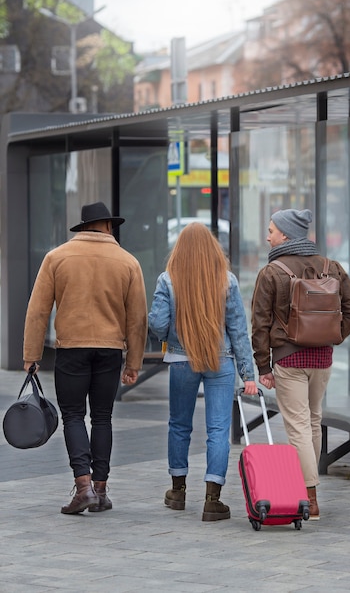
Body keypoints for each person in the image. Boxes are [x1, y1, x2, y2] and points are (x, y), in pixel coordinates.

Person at [23, 202, 148, 515]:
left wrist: (31, 355)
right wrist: (133, 363)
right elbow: (137, 319)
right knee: (102, 417)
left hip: (71, 349)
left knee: (74, 416)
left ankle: (83, 487)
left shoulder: (57, 257)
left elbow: (38, 310)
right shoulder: (128, 261)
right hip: (109, 350)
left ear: (84, 227)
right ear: (107, 226)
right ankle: (101, 490)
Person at [251, 209, 350, 520]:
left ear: (286, 235)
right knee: (313, 421)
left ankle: (309, 498)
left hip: (289, 359)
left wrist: (263, 366)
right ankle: (309, 488)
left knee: (298, 426)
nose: (268, 235)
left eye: (271, 230)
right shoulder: (331, 267)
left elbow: (259, 324)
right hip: (322, 358)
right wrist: (335, 335)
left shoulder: (272, 272)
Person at [148, 222, 257, 522]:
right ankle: (213, 499)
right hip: (221, 362)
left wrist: (173, 338)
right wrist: (248, 375)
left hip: (182, 360)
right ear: (212, 249)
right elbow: (238, 331)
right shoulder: (227, 280)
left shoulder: (167, 279)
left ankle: (178, 492)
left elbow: (157, 323)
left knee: (179, 425)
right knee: (219, 429)